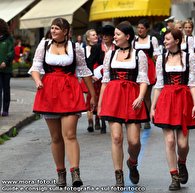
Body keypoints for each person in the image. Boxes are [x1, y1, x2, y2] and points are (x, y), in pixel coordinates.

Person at [28, 17, 96, 188]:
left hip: (70, 91)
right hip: (49, 93)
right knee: (56, 137)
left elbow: (84, 71)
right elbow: (35, 68)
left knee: (70, 135)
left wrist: (93, 95)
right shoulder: (44, 46)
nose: (53, 31)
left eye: (57, 28)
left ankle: (75, 172)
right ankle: (61, 172)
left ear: (65, 31)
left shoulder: (75, 48)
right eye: (52, 28)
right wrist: (38, 81)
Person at [98, 21, 149, 187]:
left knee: (134, 142)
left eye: (117, 34)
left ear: (127, 36)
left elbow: (143, 80)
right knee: (116, 137)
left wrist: (141, 97)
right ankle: (118, 175)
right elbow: (105, 81)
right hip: (113, 98)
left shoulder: (139, 55)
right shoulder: (110, 55)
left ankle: (132, 162)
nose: (114, 37)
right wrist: (100, 104)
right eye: (115, 34)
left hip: (133, 98)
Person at [150, 28, 195, 191]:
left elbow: (192, 82)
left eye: (168, 39)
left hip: (184, 100)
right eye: (164, 39)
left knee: (182, 144)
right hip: (166, 100)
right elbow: (158, 85)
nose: (164, 41)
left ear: (177, 41)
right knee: (170, 141)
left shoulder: (189, 57)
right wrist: (153, 107)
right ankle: (174, 177)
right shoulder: (161, 59)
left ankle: (182, 162)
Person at [87, 24, 116, 134]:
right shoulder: (97, 47)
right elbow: (89, 62)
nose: (104, 37)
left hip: (113, 77)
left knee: (110, 100)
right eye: (103, 35)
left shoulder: (117, 47)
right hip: (99, 77)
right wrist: (91, 75)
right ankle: (100, 120)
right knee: (99, 99)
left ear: (112, 36)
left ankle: (108, 119)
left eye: (107, 35)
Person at [133, 18, 160, 129]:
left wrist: (157, 72)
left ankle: (147, 119)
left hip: (148, 67)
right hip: (136, 67)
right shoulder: (134, 40)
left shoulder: (152, 40)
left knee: (146, 95)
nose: (140, 30)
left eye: (142, 28)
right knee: (136, 94)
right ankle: (137, 117)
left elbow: (157, 57)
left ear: (147, 29)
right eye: (138, 28)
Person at [81, 29, 99, 132]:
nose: (95, 36)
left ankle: (97, 119)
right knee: (89, 100)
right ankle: (90, 121)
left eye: (96, 34)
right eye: (93, 35)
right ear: (88, 38)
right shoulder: (84, 49)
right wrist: (90, 75)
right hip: (88, 75)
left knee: (98, 97)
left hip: (99, 75)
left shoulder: (101, 47)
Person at [0, 18, 14, 117]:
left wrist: (5, 61)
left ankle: (5, 110)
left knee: (6, 89)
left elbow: (11, 51)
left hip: (6, 69)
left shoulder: (9, 38)